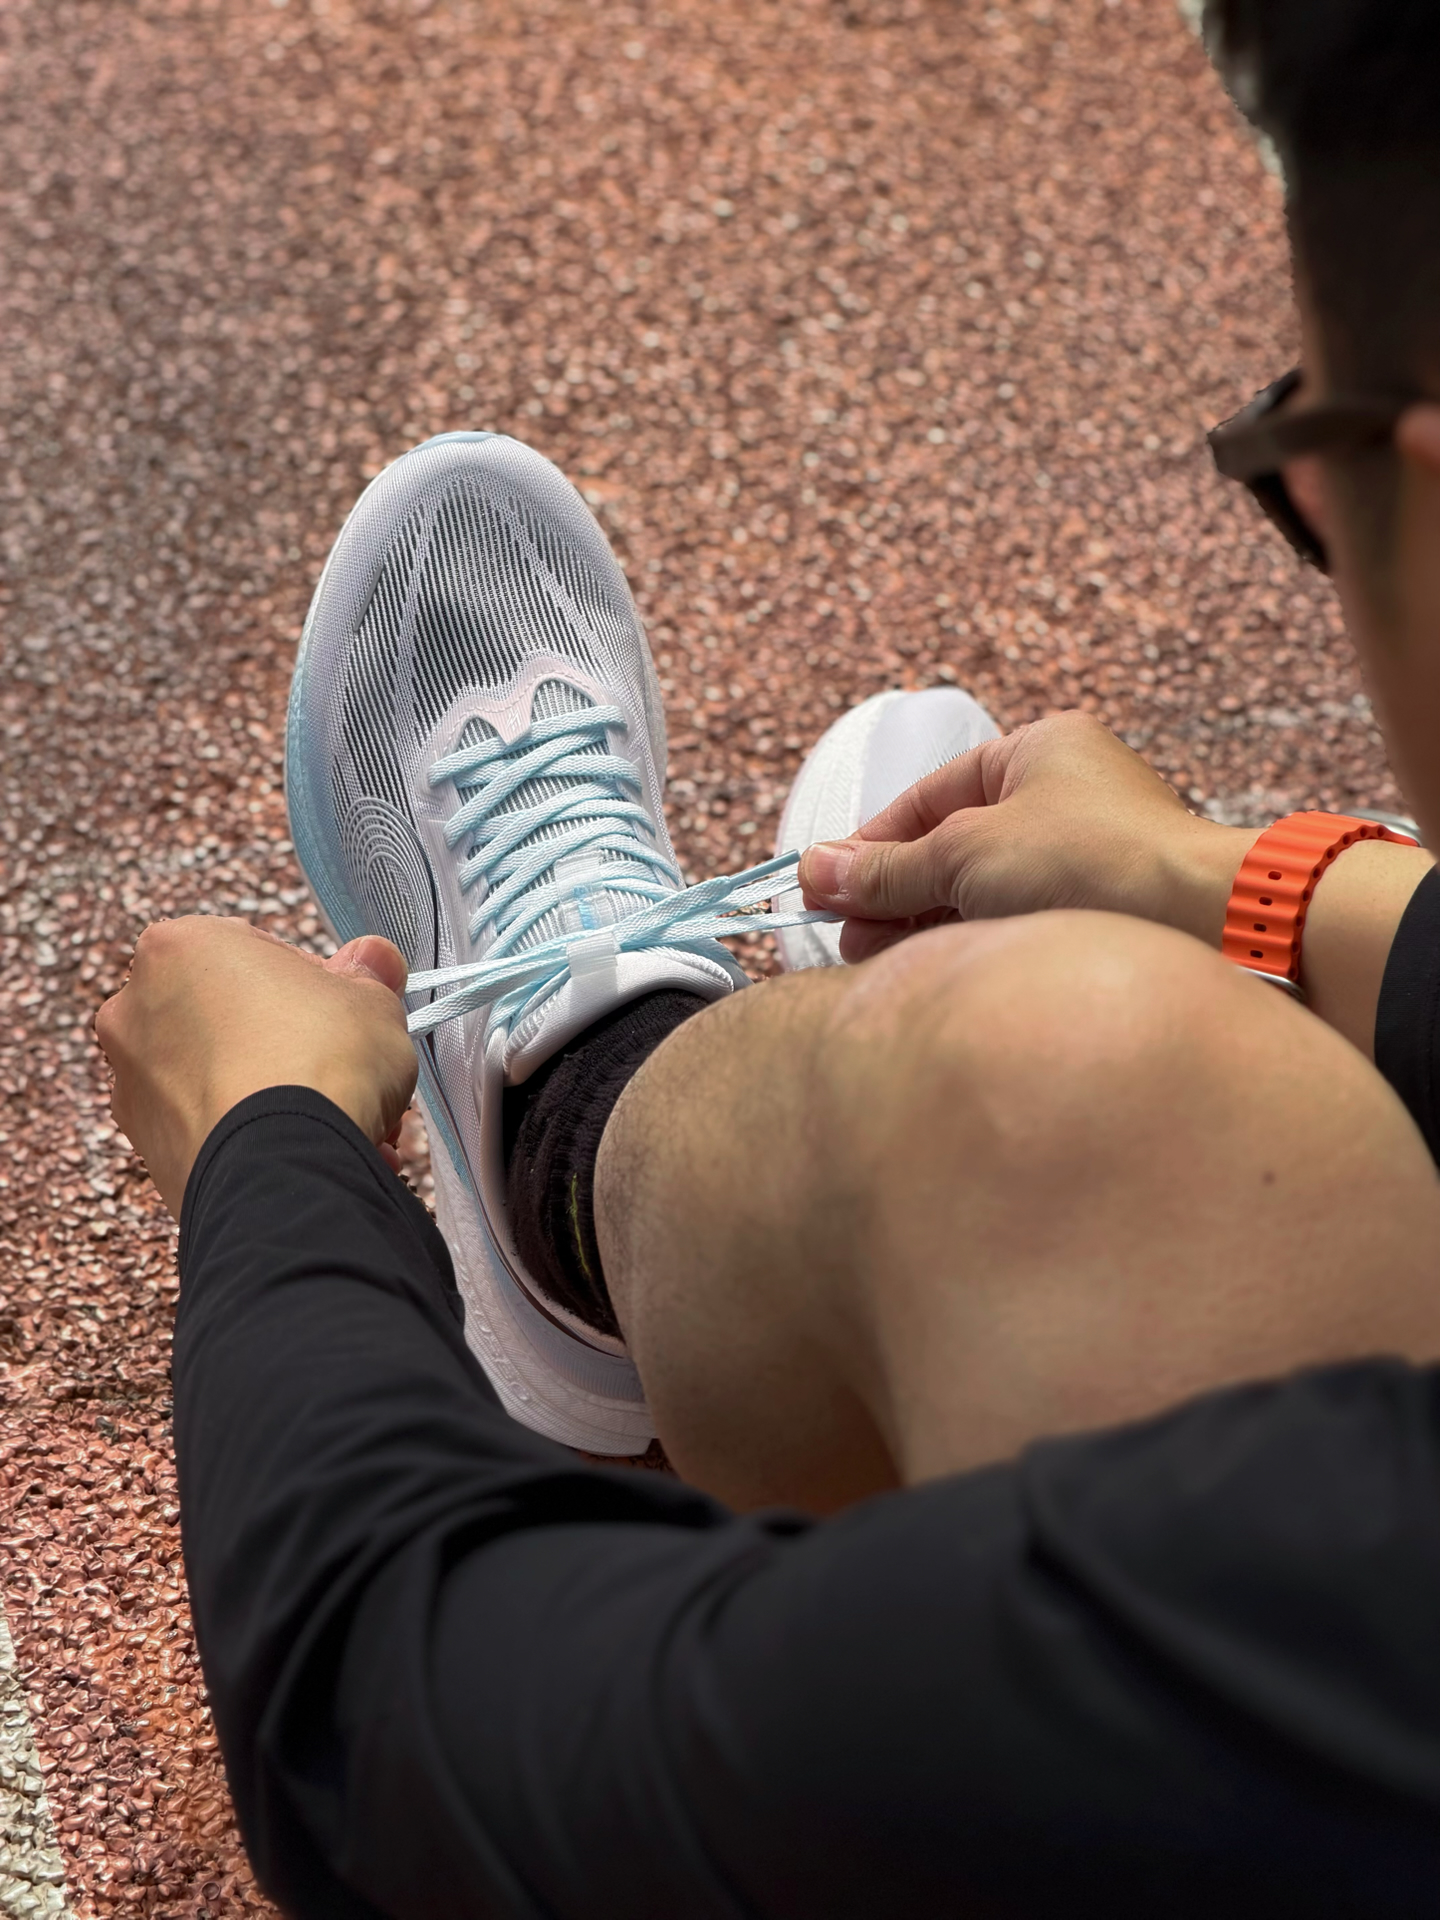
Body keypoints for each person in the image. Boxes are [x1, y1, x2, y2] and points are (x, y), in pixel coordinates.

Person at [95, 0, 1440, 1912]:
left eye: (1295, 457)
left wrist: (272, 1149)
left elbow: (390, 1741)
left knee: (1090, 1102)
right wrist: (1239, 883)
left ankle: (583, 1134)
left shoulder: (1346, 1619)